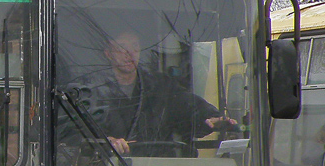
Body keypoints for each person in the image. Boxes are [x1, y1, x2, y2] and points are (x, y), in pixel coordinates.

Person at [81, 31, 236, 156]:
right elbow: (76, 132)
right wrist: (105, 142)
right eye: (122, 47)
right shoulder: (92, 89)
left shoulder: (160, 86)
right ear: (108, 53)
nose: (130, 53)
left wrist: (209, 117)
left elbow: (187, 106)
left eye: (135, 46)